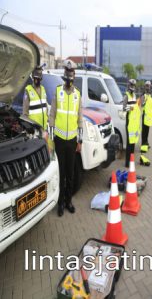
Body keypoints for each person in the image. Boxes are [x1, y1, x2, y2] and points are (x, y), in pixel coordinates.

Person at [49, 59, 83, 217]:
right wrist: (50, 138)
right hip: (60, 140)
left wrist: (80, 140)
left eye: (72, 77)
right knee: (61, 173)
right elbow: (52, 116)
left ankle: (69, 201)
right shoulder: (57, 92)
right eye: (67, 77)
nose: (69, 80)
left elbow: (80, 119)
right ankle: (60, 203)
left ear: (74, 77)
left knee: (70, 173)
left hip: (72, 141)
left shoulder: (77, 95)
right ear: (64, 77)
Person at [23, 65, 48, 130]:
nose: (37, 80)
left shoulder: (43, 89)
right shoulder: (28, 90)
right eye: (36, 77)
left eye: (39, 77)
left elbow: (46, 107)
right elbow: (25, 112)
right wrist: (29, 127)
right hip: (34, 128)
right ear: (33, 77)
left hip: (44, 127)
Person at [123, 79, 140, 168]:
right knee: (129, 143)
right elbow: (124, 108)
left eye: (134, 85)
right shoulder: (126, 96)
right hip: (129, 121)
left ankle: (131, 161)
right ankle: (127, 163)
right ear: (128, 85)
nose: (132, 87)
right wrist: (131, 108)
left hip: (134, 123)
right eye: (131, 85)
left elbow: (136, 107)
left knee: (133, 142)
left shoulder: (134, 96)